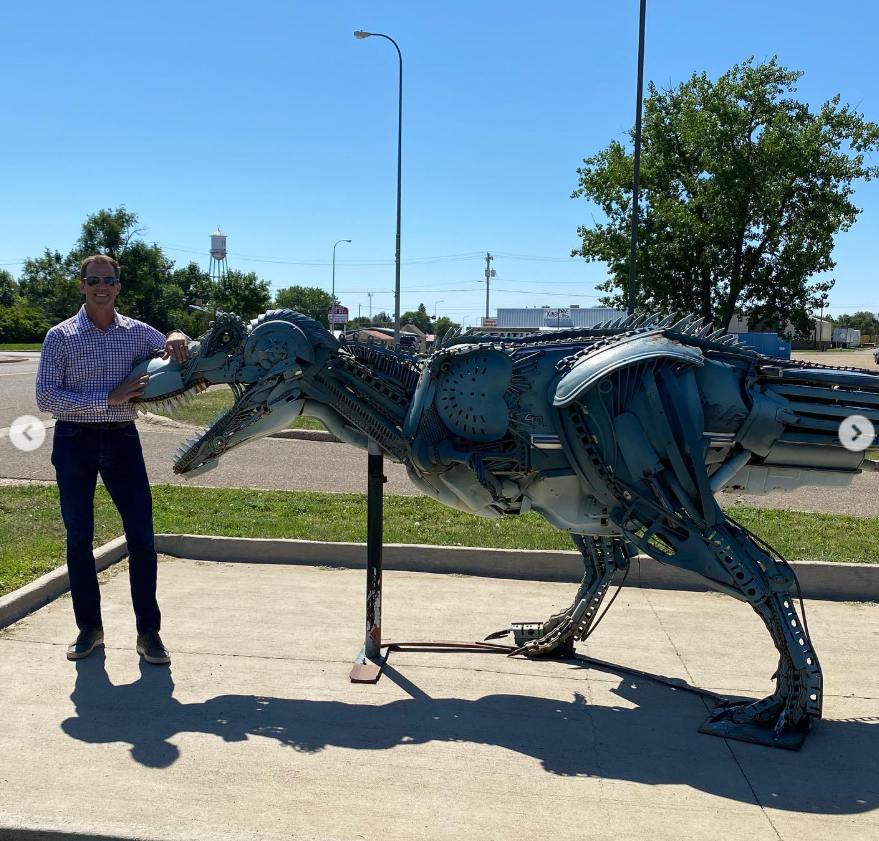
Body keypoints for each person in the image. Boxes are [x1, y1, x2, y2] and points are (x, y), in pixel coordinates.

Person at [36, 254, 190, 665]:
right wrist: (108, 398)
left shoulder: (137, 333)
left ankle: (149, 634)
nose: (101, 286)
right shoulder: (61, 336)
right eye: (93, 280)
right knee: (79, 538)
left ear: (118, 286)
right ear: (82, 285)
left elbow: (173, 347)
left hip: (122, 441)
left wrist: (176, 332)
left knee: (141, 537)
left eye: (109, 280)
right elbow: (46, 397)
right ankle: (90, 629)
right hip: (74, 442)